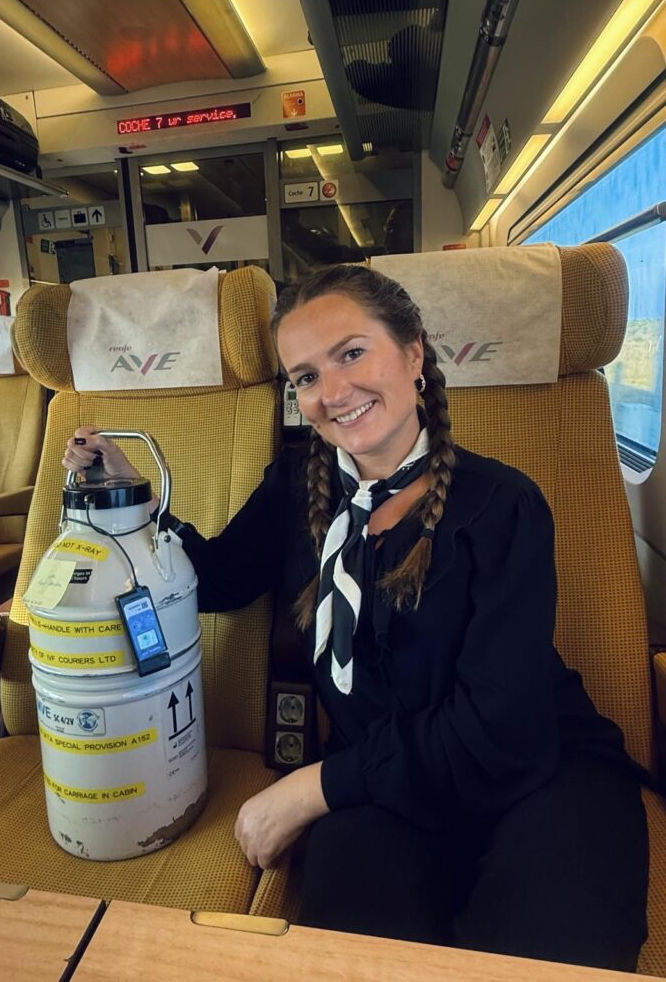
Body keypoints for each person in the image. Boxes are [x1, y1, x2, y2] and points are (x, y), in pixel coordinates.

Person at [63, 264, 649, 970]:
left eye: (351, 353)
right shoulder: (297, 488)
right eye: (306, 376)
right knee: (354, 957)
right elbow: (214, 580)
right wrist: (130, 498)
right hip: (387, 788)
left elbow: (500, 734)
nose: (333, 392)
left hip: (538, 773)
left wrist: (312, 788)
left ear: (413, 354)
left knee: (546, 953)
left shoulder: (503, 505)